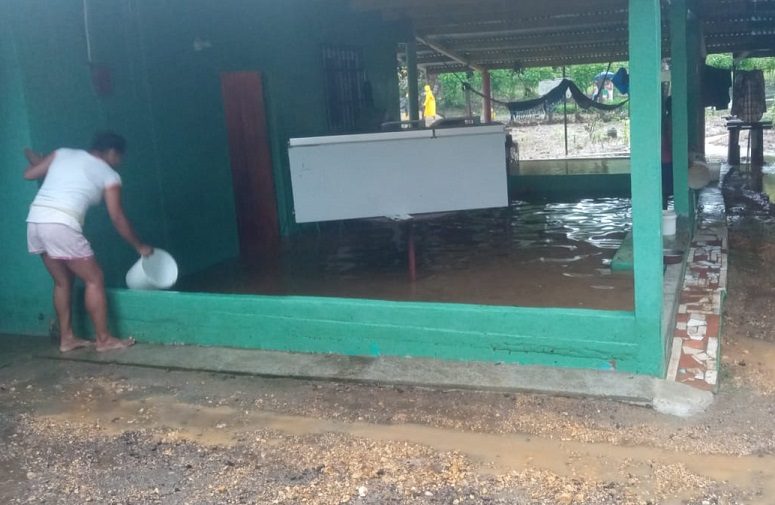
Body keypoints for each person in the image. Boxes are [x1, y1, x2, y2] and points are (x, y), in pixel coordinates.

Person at [24, 132, 153, 352]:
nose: (119, 163)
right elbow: (117, 217)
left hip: (35, 221)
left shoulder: (62, 154)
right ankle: (104, 340)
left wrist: (38, 159)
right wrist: (140, 246)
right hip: (61, 223)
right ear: (112, 152)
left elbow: (29, 174)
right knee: (95, 279)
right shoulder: (109, 175)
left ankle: (67, 339)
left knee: (62, 282)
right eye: (119, 157)